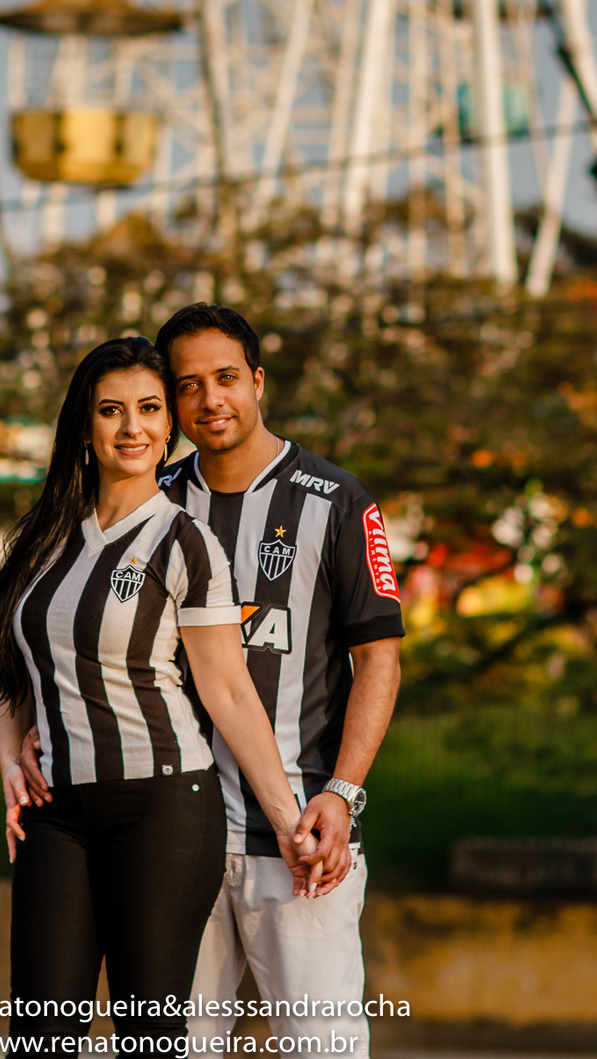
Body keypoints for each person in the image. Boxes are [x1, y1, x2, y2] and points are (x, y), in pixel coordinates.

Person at [0, 335, 318, 1059]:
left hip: (162, 808)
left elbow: (228, 691)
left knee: (150, 1038)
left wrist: (287, 818)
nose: (131, 427)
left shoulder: (186, 542)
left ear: (169, 426)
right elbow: (12, 669)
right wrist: (11, 756)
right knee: (38, 1037)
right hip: (55, 813)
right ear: (84, 425)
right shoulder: (39, 541)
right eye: (111, 410)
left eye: (148, 409)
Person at [155, 304, 403, 1059]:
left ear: (258, 381)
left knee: (321, 1049)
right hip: (175, 837)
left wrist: (343, 792)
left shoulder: (337, 501)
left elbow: (380, 661)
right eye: (188, 385)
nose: (210, 400)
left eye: (226, 378)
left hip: (300, 841)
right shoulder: (151, 503)